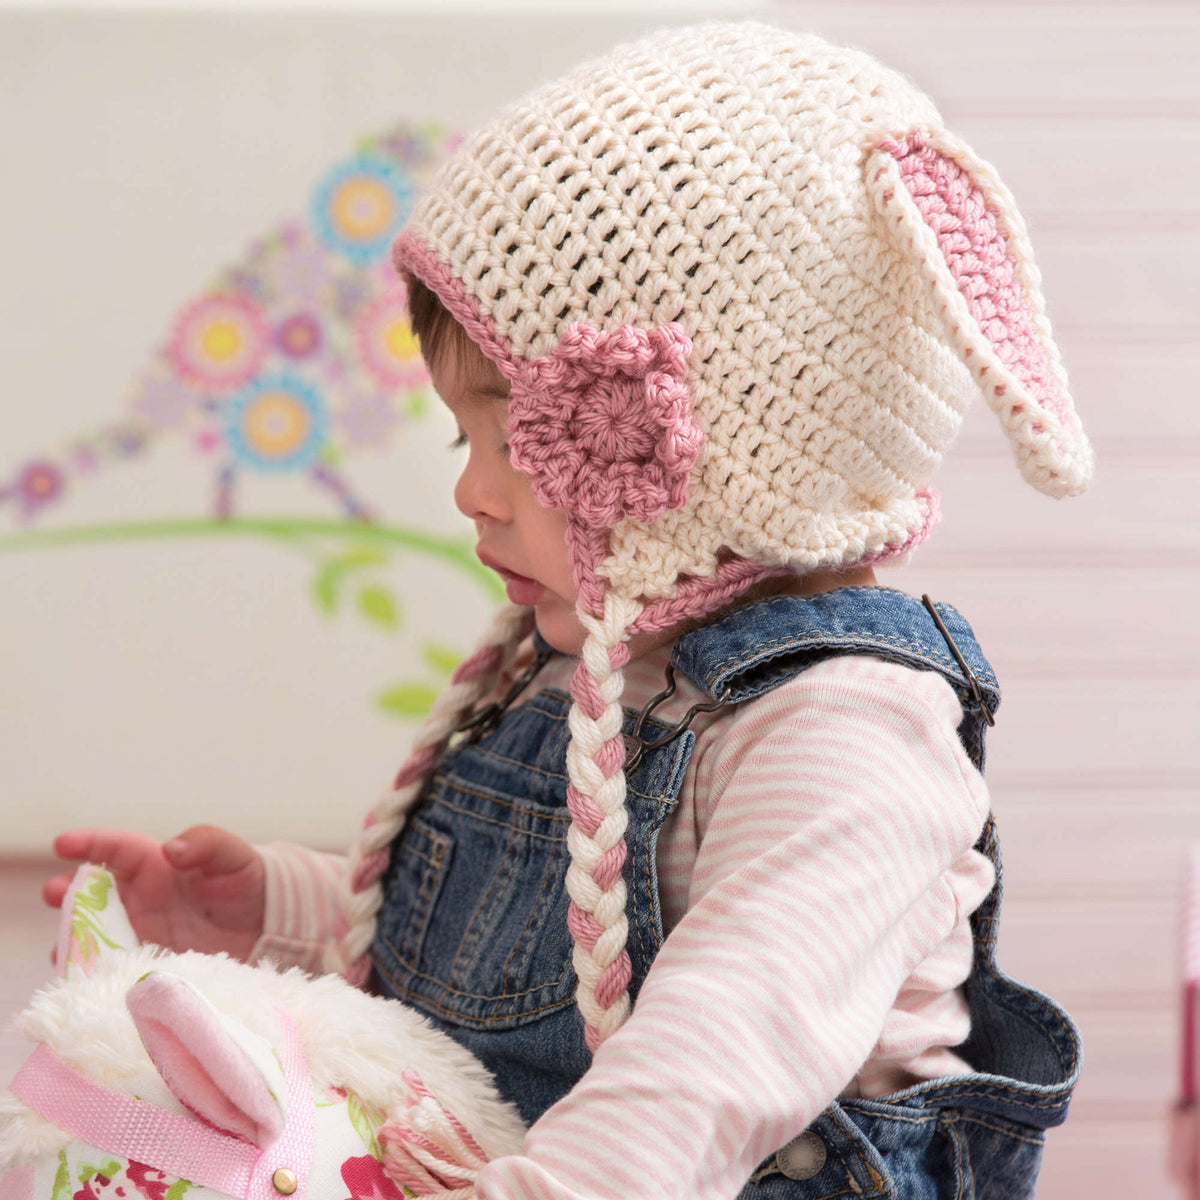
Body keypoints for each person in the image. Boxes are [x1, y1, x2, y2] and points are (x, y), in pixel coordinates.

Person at [44, 22, 1091, 1199]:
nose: (469, 491)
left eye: (514, 438)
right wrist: (282, 913)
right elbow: (506, 955)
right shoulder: (592, 673)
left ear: (708, 456)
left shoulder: (844, 732)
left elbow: (715, 1057)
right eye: (462, 434)